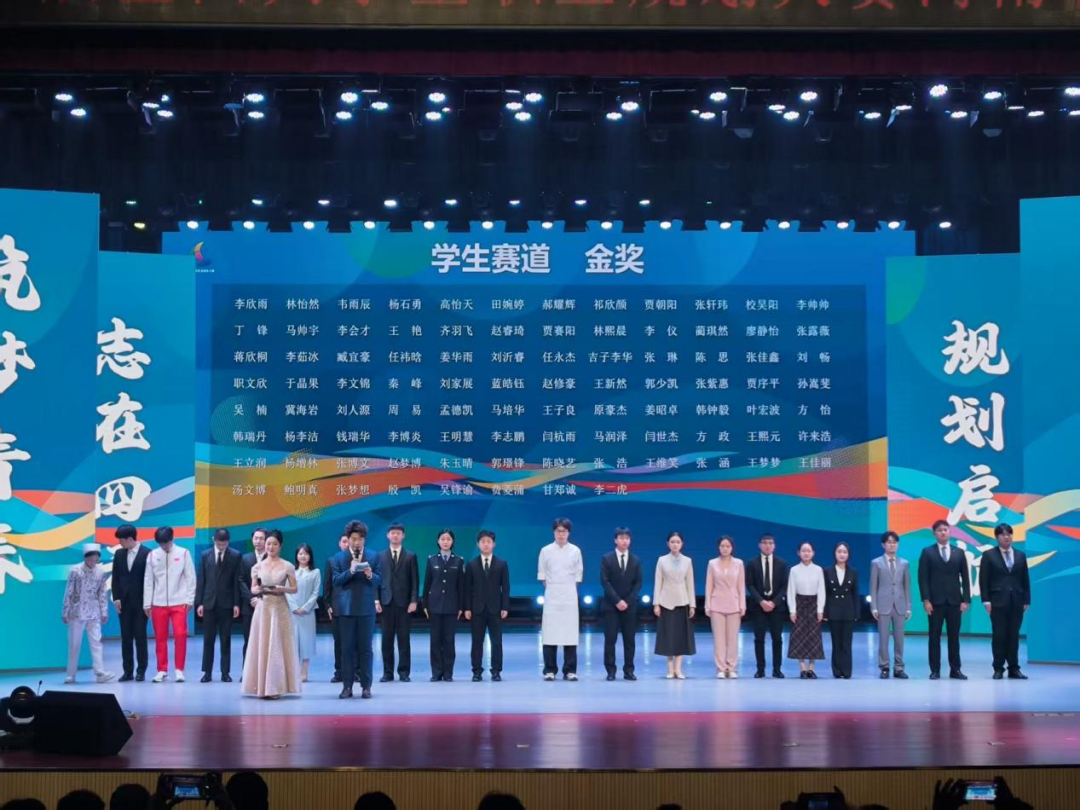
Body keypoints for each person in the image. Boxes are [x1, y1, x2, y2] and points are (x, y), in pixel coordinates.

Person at [242, 529, 300, 699]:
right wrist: (257, 589)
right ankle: (261, 687)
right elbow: (253, 588)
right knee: (262, 644)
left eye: (275, 544)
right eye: (268, 543)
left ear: (280, 546)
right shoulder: (257, 567)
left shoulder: (287, 566)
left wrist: (282, 589)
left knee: (277, 646)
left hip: (280, 607)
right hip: (263, 608)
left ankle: (276, 687)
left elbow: (294, 589)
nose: (271, 547)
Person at [332, 520, 382, 699]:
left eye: (360, 539)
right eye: (353, 539)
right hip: (346, 610)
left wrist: (370, 575)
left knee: (366, 649)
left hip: (366, 610)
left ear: (364, 540)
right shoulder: (339, 557)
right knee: (346, 649)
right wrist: (351, 571)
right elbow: (336, 581)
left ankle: (366, 687)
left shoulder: (374, 556)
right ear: (348, 539)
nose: (356, 542)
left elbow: (379, 580)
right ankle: (347, 687)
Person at [918, 519, 971, 680]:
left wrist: (966, 600)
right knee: (934, 637)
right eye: (940, 530)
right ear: (934, 533)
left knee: (954, 637)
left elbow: (965, 577)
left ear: (950, 532)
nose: (943, 532)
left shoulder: (959, 552)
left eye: (945, 530)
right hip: (935, 603)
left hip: (955, 602)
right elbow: (923, 578)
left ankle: (955, 669)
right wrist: (926, 600)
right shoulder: (927, 552)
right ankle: (935, 670)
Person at [143, 526, 196, 683]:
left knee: (180, 635)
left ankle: (179, 669)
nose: (163, 546)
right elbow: (148, 580)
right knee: (160, 637)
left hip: (179, 602)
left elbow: (191, 578)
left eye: (165, 543)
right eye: (160, 544)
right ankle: (162, 669)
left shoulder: (183, 553)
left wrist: (189, 599)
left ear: (172, 539)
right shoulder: (152, 555)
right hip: (158, 603)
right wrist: (147, 603)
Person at [979, 522, 1031, 679]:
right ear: (997, 537)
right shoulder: (989, 555)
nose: (1006, 537)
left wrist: (1026, 600)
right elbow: (983, 580)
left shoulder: (1020, 555)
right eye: (1003, 534)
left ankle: (1014, 668)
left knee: (1014, 636)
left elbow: (1025, 579)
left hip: (1017, 601)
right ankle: (998, 668)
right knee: (999, 636)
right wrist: (986, 601)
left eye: (1009, 534)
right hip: (997, 602)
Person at [537, 517, 584, 680]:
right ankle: (550, 670)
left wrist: (567, 590)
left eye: (564, 531)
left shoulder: (576, 551)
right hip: (552, 596)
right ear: (553, 532)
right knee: (550, 634)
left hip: (569, 596)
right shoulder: (545, 551)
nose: (561, 534)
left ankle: (570, 670)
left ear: (569, 533)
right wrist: (554, 589)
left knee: (570, 634)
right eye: (558, 531)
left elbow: (578, 575)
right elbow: (542, 576)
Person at [62, 543, 115, 684]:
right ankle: (71, 674)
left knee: (96, 643)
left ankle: (100, 673)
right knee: (74, 645)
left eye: (96, 559)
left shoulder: (100, 571)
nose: (93, 562)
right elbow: (69, 592)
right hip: (76, 612)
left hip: (94, 612)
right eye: (90, 559)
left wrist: (104, 611)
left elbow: (102, 593)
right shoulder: (75, 571)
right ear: (85, 557)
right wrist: (65, 611)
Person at [195, 527, 241, 683]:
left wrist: (236, 604)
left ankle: (225, 672)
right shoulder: (205, 555)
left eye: (224, 543)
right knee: (208, 640)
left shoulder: (235, 555)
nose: (221, 546)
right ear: (214, 540)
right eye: (219, 543)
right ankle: (207, 673)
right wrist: (199, 603)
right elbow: (201, 580)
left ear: (228, 541)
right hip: (208, 603)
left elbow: (236, 581)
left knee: (225, 640)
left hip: (227, 604)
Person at [464, 529, 511, 681]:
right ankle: (476, 671)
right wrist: (467, 608)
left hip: (495, 609)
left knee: (496, 642)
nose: (486, 544)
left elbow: (506, 587)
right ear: (478, 544)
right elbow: (467, 588)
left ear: (494, 544)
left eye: (488, 542)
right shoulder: (471, 564)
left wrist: (505, 607)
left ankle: (496, 671)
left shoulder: (501, 564)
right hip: (476, 609)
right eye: (483, 542)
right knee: (477, 642)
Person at [375, 522, 419, 683]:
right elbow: (376, 580)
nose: (395, 535)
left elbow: (415, 581)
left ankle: (404, 672)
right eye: (392, 533)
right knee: (386, 640)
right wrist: (376, 600)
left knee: (404, 639)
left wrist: (414, 600)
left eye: (398, 533)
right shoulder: (379, 556)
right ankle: (387, 672)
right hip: (386, 602)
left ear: (403, 536)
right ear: (388, 535)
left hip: (404, 603)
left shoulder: (410, 556)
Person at [599, 526, 642, 681]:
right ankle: (611, 671)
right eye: (621, 538)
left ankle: (629, 670)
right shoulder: (606, 558)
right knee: (610, 639)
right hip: (611, 606)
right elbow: (605, 582)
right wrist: (617, 601)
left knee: (629, 640)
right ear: (615, 540)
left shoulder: (636, 560)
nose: (624, 541)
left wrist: (627, 601)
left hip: (630, 607)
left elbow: (638, 583)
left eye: (627, 538)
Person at [423, 528, 466, 682]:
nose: (445, 542)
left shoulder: (459, 560)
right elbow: (427, 583)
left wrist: (461, 606)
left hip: (452, 606)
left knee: (449, 641)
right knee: (435, 641)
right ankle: (436, 673)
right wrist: (425, 605)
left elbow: (461, 586)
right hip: (434, 606)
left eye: (448, 539)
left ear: (452, 541)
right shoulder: (431, 560)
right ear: (438, 541)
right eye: (443, 539)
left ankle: (448, 673)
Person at [653, 531, 697, 679]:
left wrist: (692, 605)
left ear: (682, 544)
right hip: (666, 602)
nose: (675, 544)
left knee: (680, 637)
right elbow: (658, 582)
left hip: (682, 602)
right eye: (672, 542)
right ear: (668, 544)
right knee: (668, 637)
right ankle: (670, 669)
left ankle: (678, 669)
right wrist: (656, 603)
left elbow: (690, 583)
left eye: (678, 542)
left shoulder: (688, 561)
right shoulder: (662, 560)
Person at [746, 533, 789, 678]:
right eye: (765, 543)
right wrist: (761, 601)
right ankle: (760, 669)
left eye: (770, 543)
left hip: (777, 607)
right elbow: (750, 584)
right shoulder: (752, 563)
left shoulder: (782, 563)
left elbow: (785, 586)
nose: (767, 545)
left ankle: (777, 669)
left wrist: (773, 602)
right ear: (759, 545)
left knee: (777, 639)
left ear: (774, 546)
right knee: (759, 638)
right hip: (758, 607)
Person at [111, 524, 149, 682]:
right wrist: (116, 598)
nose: (119, 543)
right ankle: (127, 671)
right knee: (125, 638)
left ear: (129, 539)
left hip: (141, 603)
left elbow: (150, 580)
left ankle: (141, 670)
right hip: (124, 603)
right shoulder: (119, 554)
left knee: (140, 637)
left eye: (121, 540)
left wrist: (148, 603)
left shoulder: (147, 553)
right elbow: (115, 578)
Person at [870, 530, 911, 679]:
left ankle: (899, 667)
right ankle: (884, 667)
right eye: (889, 542)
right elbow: (873, 586)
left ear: (897, 544)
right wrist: (874, 606)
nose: (892, 545)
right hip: (883, 605)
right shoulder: (876, 563)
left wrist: (908, 607)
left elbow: (907, 586)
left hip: (900, 605)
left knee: (899, 638)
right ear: (883, 545)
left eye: (894, 542)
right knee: (883, 638)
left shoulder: (904, 563)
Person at [705, 535, 745, 679]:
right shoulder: (712, 563)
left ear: (732, 548)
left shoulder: (739, 563)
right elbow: (709, 585)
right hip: (717, 604)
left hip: (734, 604)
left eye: (728, 546)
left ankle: (732, 668)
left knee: (733, 639)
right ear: (718, 547)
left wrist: (742, 605)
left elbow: (741, 586)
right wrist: (707, 605)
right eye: (722, 546)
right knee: (719, 639)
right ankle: (721, 668)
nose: (725, 549)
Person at [787, 541, 826, 678]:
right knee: (800, 638)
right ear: (798, 553)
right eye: (803, 551)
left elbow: (821, 590)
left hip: (814, 605)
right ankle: (802, 669)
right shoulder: (794, 570)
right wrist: (792, 610)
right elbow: (791, 591)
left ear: (813, 553)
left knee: (814, 638)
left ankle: (811, 668)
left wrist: (820, 609)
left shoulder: (818, 570)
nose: (806, 553)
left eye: (809, 551)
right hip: (800, 605)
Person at [824, 541, 859, 679]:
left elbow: (855, 593)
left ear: (848, 554)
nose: (842, 554)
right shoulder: (827, 571)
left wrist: (856, 613)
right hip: (833, 611)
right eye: (839, 551)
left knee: (846, 643)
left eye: (845, 552)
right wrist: (825, 611)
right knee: (836, 642)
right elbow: (825, 593)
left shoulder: (853, 572)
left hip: (848, 611)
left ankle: (847, 670)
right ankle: (837, 670)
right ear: (835, 554)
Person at [288, 543, 322, 683]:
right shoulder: (291, 571)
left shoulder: (315, 572)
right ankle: (293, 671)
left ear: (310, 556)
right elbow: (286, 591)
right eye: (300, 553)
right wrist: (294, 607)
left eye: (306, 553)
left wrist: (305, 608)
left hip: (308, 613)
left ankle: (304, 671)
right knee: (293, 642)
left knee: (307, 641)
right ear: (297, 555)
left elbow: (315, 592)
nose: (303, 556)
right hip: (293, 613)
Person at [238, 527, 267, 665]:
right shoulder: (245, 558)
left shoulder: (272, 559)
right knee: (248, 640)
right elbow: (241, 580)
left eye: (261, 538)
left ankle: (263, 672)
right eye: (256, 538)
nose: (258, 541)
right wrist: (251, 598)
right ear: (252, 540)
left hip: (267, 605)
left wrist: (262, 598)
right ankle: (246, 671)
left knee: (265, 641)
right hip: (249, 606)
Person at [325, 533, 350, 683]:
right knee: (339, 641)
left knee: (355, 642)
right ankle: (339, 671)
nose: (347, 544)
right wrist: (328, 605)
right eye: (344, 541)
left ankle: (356, 671)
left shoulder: (358, 561)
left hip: (355, 607)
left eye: (349, 541)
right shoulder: (332, 561)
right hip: (337, 608)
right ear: (339, 543)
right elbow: (327, 585)